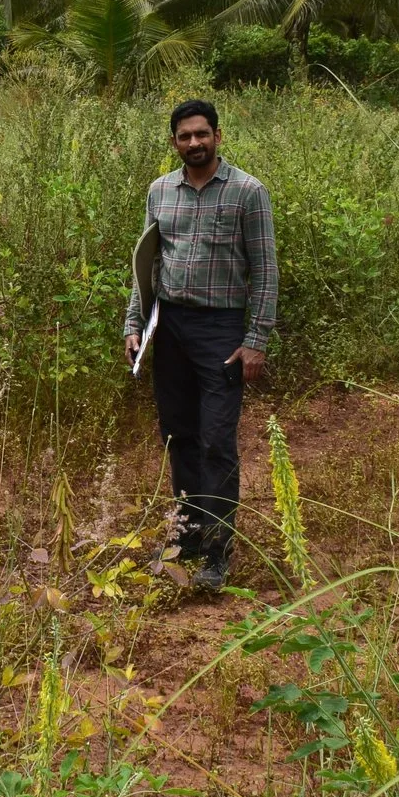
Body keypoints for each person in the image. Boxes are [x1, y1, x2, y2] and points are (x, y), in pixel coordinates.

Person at [124, 98, 277, 592]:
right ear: (174, 142)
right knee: (179, 435)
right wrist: (135, 322)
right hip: (169, 328)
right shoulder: (159, 191)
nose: (194, 143)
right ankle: (186, 536)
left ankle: (216, 550)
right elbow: (146, 265)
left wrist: (255, 340)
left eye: (202, 134)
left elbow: (266, 272)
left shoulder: (247, 192)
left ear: (218, 135)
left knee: (216, 440)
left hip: (221, 332)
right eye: (185, 136)